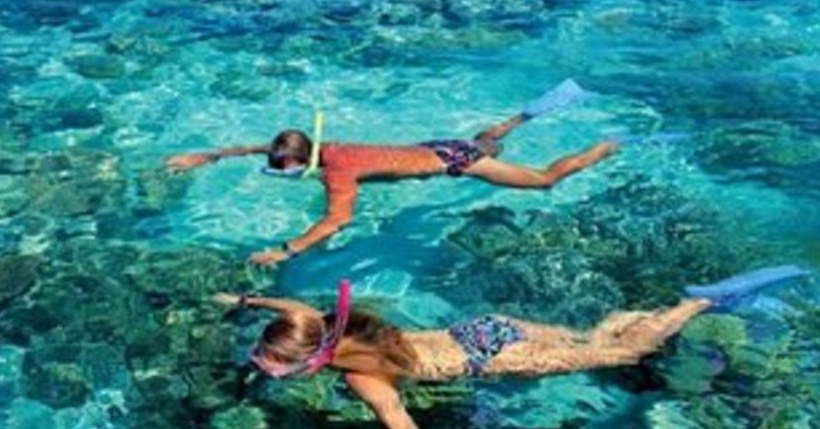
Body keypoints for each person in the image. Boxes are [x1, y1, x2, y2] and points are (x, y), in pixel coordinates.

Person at [217, 266, 808, 429]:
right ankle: (636, 314)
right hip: (485, 327)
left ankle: (701, 301)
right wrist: (242, 303)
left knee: (620, 355)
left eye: (276, 368)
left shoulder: (362, 378)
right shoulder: (317, 320)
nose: (269, 371)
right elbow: (282, 306)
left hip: (490, 356)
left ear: (314, 359)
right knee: (587, 341)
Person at [167, 81, 618, 267]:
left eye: (282, 168)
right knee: (486, 140)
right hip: (436, 146)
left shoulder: (337, 172)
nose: (275, 168)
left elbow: (338, 221)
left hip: (454, 161)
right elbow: (257, 146)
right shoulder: (315, 146)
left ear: (303, 161)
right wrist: (206, 156)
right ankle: (522, 117)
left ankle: (605, 146)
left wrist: (286, 251)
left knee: (543, 181)